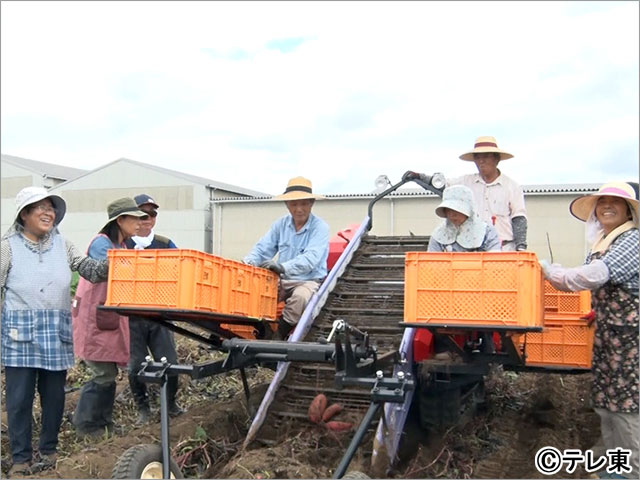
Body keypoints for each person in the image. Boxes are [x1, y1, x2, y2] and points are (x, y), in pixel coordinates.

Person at [1, 187, 108, 476]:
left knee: (54, 398)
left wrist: (117, 264)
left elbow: (91, 270)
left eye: (52, 208)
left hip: (55, 332)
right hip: (19, 332)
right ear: (24, 214)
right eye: (40, 208)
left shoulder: (64, 245)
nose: (48, 213)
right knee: (19, 400)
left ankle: (49, 451)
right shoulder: (7, 246)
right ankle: (21, 459)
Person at [542, 181, 638, 479]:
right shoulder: (604, 242)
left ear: (628, 211)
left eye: (615, 202)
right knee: (607, 402)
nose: (607, 206)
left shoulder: (632, 240)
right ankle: (614, 461)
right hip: (610, 336)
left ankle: (632, 470)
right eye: (602, 202)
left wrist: (551, 272)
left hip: (632, 340)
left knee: (626, 406)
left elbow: (595, 276)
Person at [71, 197, 148, 438]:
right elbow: (115, 270)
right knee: (102, 372)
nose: (139, 223)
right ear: (120, 220)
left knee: (109, 372)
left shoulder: (121, 246)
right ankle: (86, 424)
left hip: (108, 318)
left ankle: (103, 423)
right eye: (134, 218)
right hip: (94, 319)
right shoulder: (101, 244)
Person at [243, 176, 330, 339]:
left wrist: (283, 267)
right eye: (294, 204)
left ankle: (279, 334)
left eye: (303, 203)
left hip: (308, 280)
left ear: (311, 203)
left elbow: (311, 258)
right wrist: (247, 263)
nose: (299, 209)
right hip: (281, 278)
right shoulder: (280, 225)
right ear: (287, 205)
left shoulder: (320, 228)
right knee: (256, 296)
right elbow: (263, 248)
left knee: (300, 297)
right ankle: (258, 330)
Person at [124, 194, 184, 424]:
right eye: (143, 214)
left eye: (152, 214)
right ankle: (143, 410)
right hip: (133, 314)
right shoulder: (123, 245)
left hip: (160, 314)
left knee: (170, 361)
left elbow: (179, 270)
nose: (148, 218)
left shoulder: (165, 243)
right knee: (136, 364)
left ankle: (170, 405)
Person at [449, 136, 528, 251]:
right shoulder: (465, 183)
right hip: (473, 250)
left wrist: (521, 246)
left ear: (497, 159)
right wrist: (420, 177)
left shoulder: (512, 187)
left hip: (504, 249)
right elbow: (442, 185)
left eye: (486, 156)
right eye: (477, 157)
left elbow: (518, 217)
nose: (481, 161)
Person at [428, 185, 502, 252]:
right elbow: (431, 263)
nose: (452, 214)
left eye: (457, 210)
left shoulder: (487, 232)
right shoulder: (438, 236)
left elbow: (495, 260)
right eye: (448, 210)